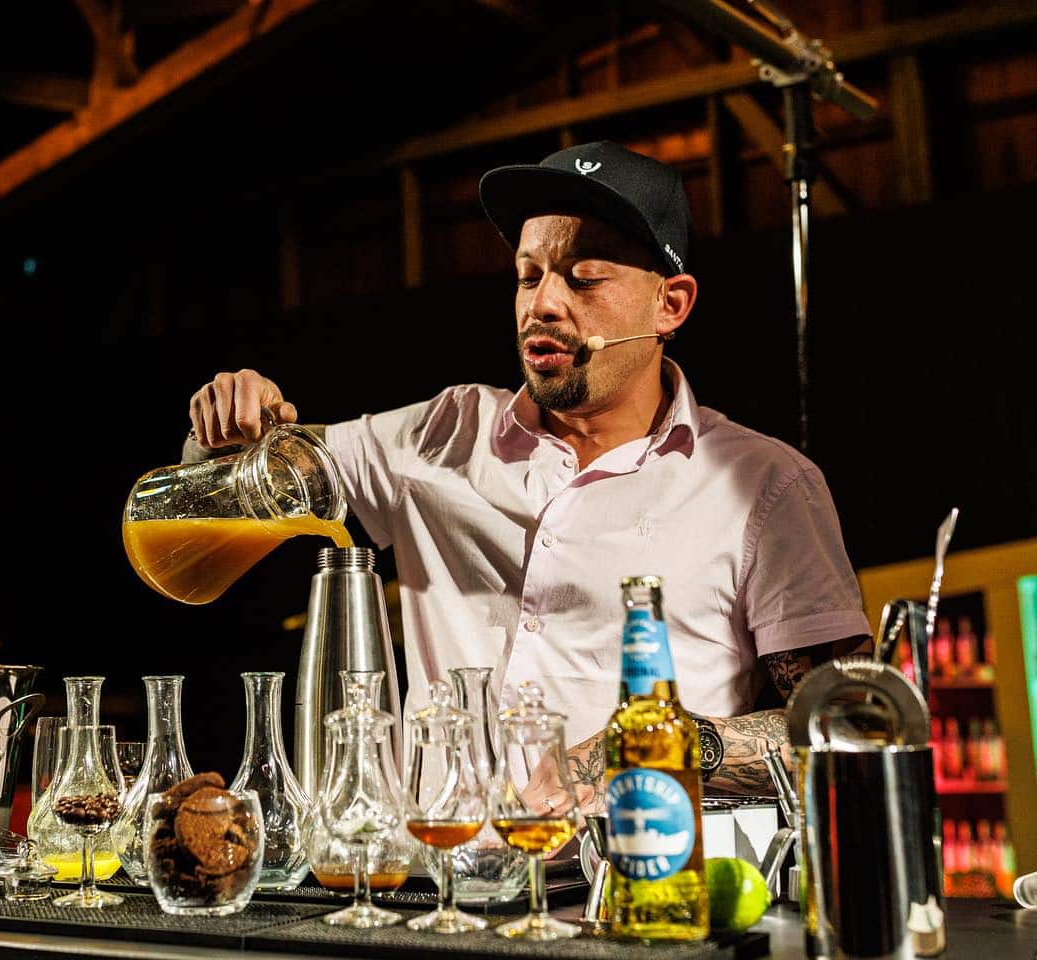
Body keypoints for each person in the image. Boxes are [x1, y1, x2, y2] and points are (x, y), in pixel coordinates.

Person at [184, 141, 870, 809]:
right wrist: (220, 434)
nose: (542, 304)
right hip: (439, 899)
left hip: (638, 896)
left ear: (672, 304)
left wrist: (660, 743)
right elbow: (207, 510)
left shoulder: (763, 485)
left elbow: (849, 726)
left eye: (583, 278)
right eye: (528, 274)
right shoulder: (441, 435)